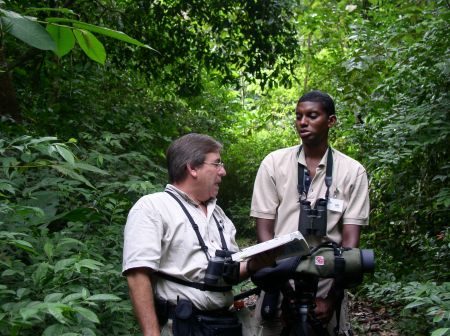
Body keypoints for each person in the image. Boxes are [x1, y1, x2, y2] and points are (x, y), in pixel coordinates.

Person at [123, 133, 276, 336]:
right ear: (192, 168)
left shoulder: (219, 215)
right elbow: (137, 275)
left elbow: (227, 274)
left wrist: (254, 264)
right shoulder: (153, 207)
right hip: (181, 326)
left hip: (225, 325)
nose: (223, 171)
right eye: (217, 163)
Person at [250, 90, 370, 335]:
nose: (302, 122)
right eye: (298, 116)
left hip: (327, 280)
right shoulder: (274, 163)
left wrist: (332, 299)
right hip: (280, 277)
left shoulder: (352, 171)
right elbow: (264, 234)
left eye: (312, 116)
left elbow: (351, 243)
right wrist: (286, 292)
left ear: (331, 121)